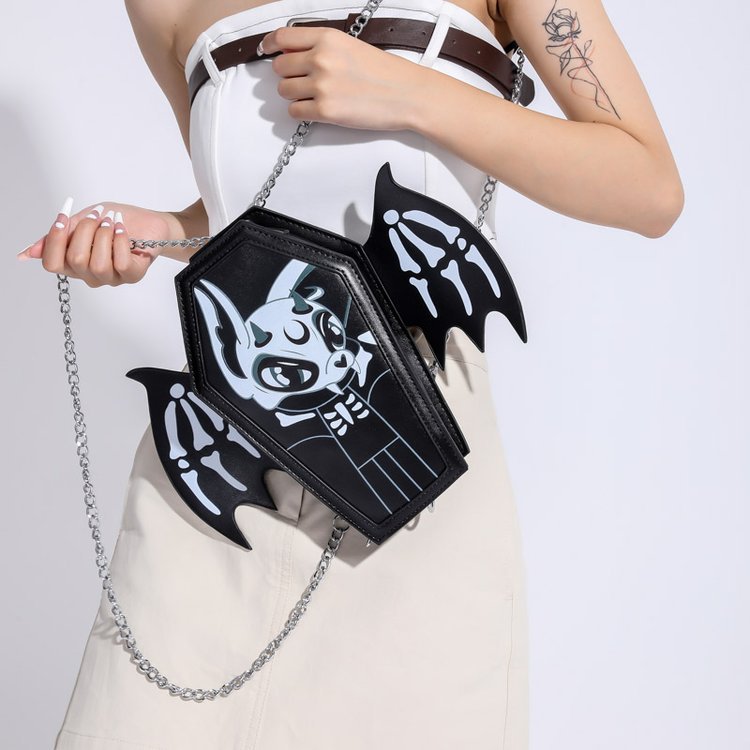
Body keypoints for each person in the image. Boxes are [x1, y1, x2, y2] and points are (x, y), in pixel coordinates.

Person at [18, 0, 683, 747]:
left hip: (415, 455)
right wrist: (161, 232)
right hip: (224, 459)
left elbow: (648, 188)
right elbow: (251, 214)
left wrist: (410, 92)